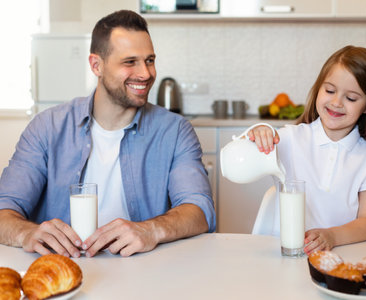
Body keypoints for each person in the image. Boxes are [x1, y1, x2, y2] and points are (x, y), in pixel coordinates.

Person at [0, 10, 215, 258]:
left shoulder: (175, 131)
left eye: (150, 60)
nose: (145, 74)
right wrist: (25, 233)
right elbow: (5, 208)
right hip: (63, 271)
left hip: (144, 272)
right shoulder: (47, 127)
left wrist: (151, 230)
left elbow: (200, 209)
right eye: (130, 62)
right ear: (96, 65)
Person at [248, 45, 366, 255]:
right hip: (285, 257)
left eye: (351, 98)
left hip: (341, 258)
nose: (336, 102)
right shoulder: (290, 138)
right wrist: (257, 134)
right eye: (329, 90)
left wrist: (331, 236)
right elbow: (242, 160)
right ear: (318, 88)